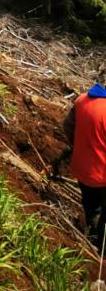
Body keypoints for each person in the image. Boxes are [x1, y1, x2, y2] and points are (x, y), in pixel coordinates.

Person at [62, 82, 106, 251]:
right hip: (102, 176)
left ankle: (92, 237)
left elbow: (67, 127)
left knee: (92, 207)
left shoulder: (81, 101)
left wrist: (78, 146)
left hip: (81, 169)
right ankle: (102, 249)